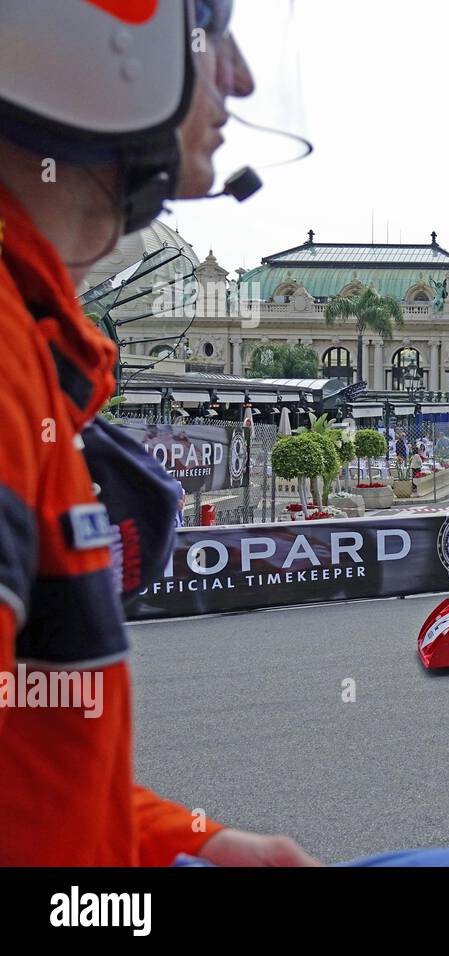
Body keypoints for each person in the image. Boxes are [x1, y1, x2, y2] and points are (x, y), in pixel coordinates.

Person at [0, 0, 316, 866]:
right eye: (213, 31)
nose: (241, 79)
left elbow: (26, 783)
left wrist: (192, 845)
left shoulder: (33, 344)